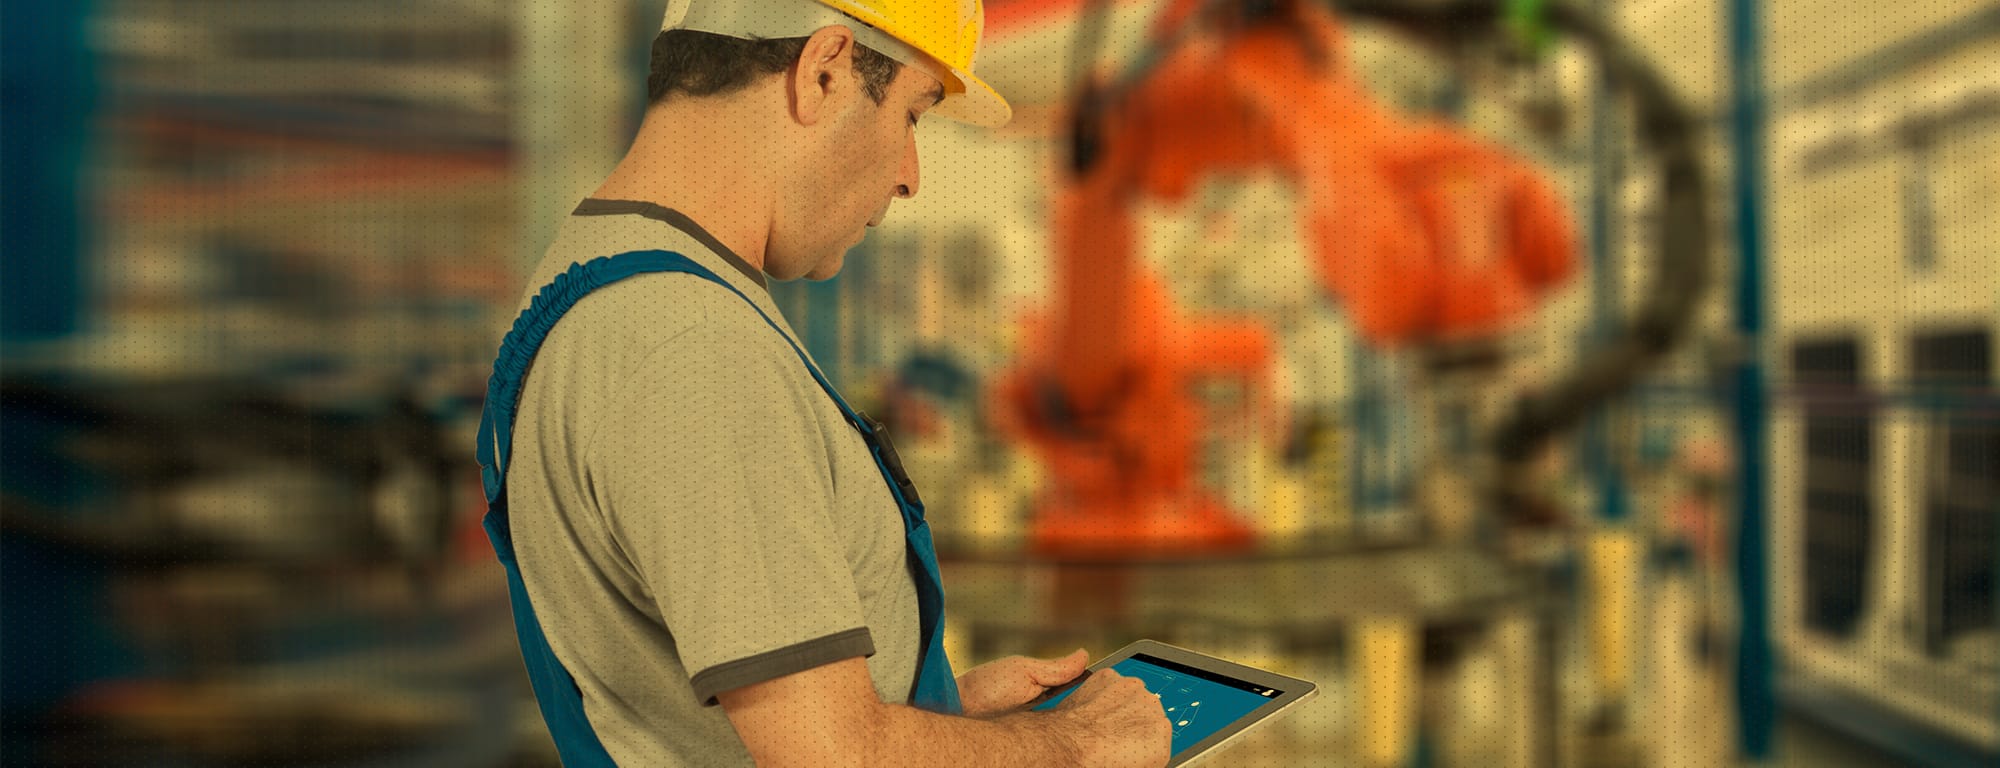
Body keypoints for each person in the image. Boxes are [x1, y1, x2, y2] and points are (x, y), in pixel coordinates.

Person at [473, 0, 1172, 764]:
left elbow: (692, 712)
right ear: (825, 72)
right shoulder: (694, 351)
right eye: (913, 115)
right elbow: (833, 757)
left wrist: (938, 703)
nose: (910, 177)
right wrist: (1070, 745)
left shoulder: (597, 275)